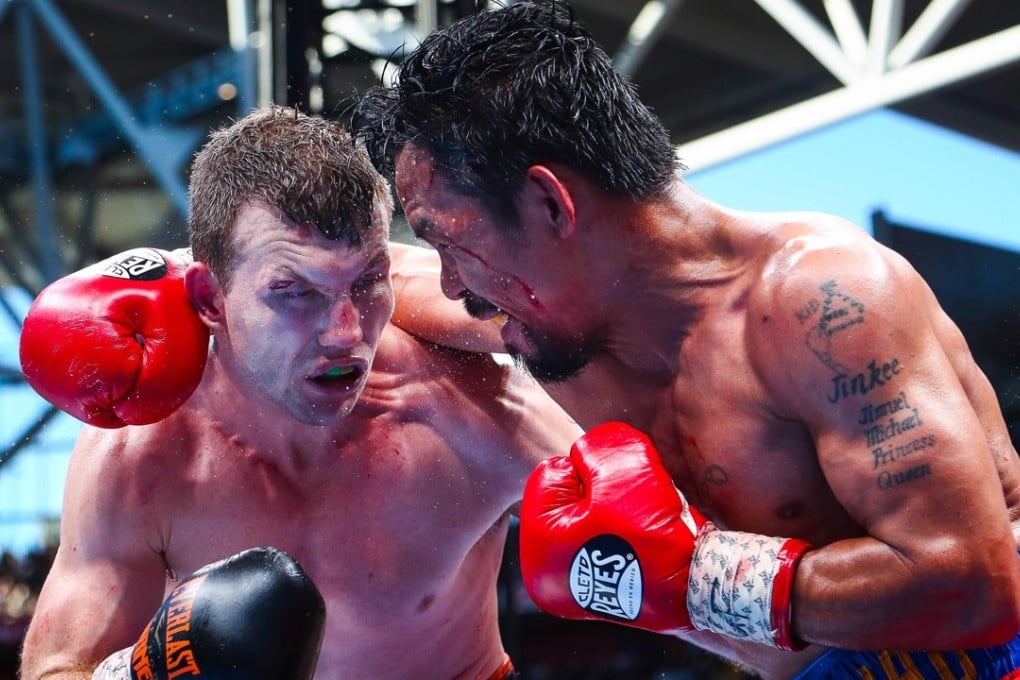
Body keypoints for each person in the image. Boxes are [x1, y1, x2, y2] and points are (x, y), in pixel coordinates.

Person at [349, 2, 1020, 678]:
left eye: (450, 240)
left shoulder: (819, 304)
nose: (453, 283)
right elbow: (361, 281)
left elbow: (972, 585)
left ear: (550, 204)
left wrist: (698, 575)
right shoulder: (543, 308)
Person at [18, 104, 582, 679]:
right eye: (294, 292)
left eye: (366, 281)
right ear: (211, 300)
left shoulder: (470, 408)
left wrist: (679, 584)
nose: (344, 333)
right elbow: (58, 666)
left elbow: (665, 535)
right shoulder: (144, 455)